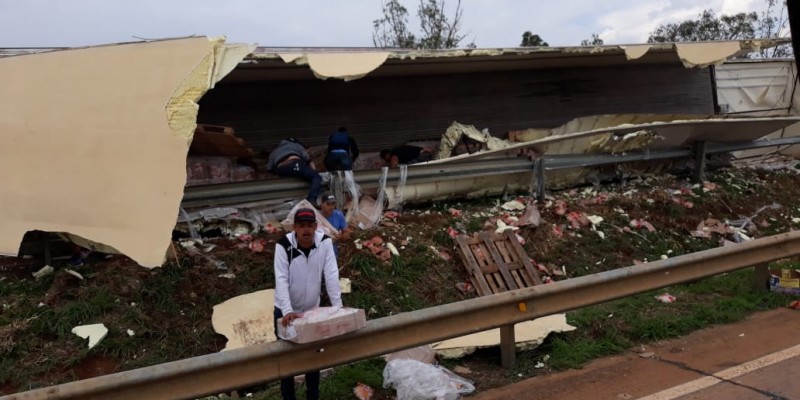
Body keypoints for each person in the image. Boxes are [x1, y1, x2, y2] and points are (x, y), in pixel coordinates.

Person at [273, 207, 343, 400]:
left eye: (309, 226)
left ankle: (313, 397)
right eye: (301, 226)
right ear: (294, 227)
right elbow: (281, 279)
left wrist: (337, 307)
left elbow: (331, 273)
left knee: (313, 358)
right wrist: (287, 310)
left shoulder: (325, 243)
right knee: (287, 361)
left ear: (315, 226)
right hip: (285, 311)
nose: (306, 230)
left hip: (311, 310)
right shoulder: (283, 246)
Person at [267, 138, 322, 204]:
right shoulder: (296, 145)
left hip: (280, 170)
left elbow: (269, 169)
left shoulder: (273, 152)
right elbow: (307, 158)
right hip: (293, 164)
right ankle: (311, 200)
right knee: (316, 177)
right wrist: (314, 171)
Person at [319, 192, 351, 258]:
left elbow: (347, 234)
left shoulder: (338, 215)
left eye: (333, 204)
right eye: (328, 204)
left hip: (332, 255)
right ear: (322, 204)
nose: (331, 207)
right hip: (318, 255)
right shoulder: (316, 217)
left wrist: (341, 237)